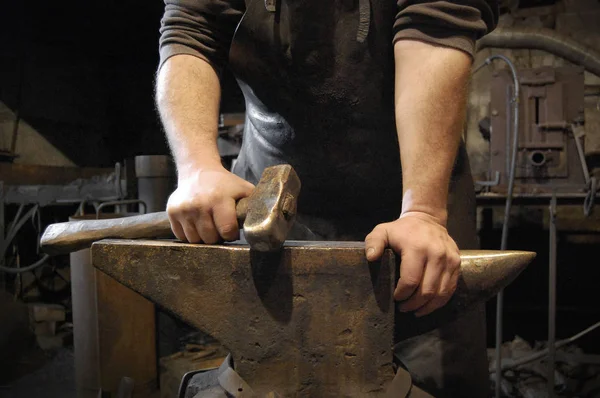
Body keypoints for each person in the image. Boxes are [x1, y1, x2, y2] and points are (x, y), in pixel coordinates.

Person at [155, 0, 498, 396]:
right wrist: (197, 166)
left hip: (414, 204)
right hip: (267, 203)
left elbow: (436, 27)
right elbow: (191, 31)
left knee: (431, 381)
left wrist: (422, 210)